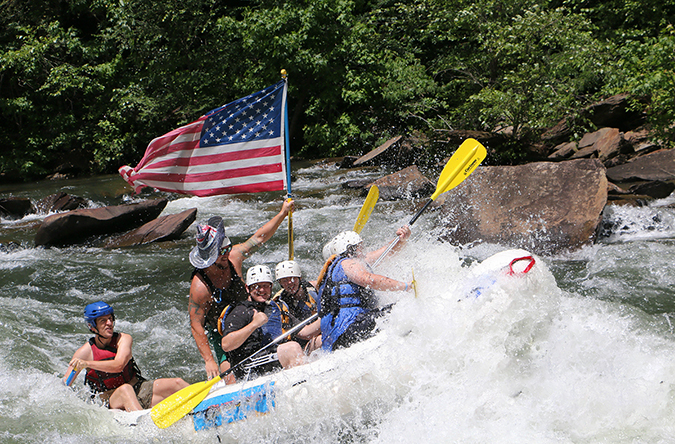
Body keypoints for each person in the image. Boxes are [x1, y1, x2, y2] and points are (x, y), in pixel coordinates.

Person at [188, 199, 294, 380]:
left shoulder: (233, 257)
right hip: (223, 333)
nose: (227, 254)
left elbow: (259, 238)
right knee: (229, 375)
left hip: (250, 315)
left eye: (227, 248)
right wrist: (209, 360)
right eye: (222, 253)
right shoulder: (200, 287)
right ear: (209, 258)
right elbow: (196, 325)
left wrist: (283, 213)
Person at [64, 301, 189, 411]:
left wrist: (87, 364)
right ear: (92, 326)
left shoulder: (123, 339)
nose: (109, 323)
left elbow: (118, 365)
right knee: (125, 390)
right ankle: (145, 426)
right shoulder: (84, 353)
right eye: (103, 321)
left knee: (177, 383)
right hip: (111, 401)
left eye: (110, 318)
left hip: (138, 388)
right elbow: (64, 385)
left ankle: (205, 406)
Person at [316, 228, 413, 352]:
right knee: (405, 308)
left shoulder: (343, 266)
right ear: (351, 248)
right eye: (360, 247)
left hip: (344, 334)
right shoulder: (347, 263)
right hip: (349, 330)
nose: (363, 250)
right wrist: (405, 286)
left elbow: (385, 252)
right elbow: (369, 280)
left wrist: (401, 240)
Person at [219, 265, 305, 381]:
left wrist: (324, 315)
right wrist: (254, 324)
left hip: (268, 358)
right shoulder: (240, 311)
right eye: (257, 286)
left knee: (315, 343)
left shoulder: (274, 307)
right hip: (249, 366)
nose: (262, 290)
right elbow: (226, 344)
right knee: (292, 348)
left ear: (271, 287)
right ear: (247, 288)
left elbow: (304, 331)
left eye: (266, 286)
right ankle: (300, 387)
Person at [272, 260, 321, 351]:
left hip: (321, 332)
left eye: (292, 278)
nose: (289, 283)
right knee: (322, 340)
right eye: (285, 280)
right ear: (280, 283)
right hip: (303, 346)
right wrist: (329, 315)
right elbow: (306, 334)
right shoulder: (281, 306)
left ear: (300, 278)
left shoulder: (313, 287)